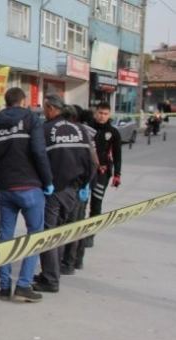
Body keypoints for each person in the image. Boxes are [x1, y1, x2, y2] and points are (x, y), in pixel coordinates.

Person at [0, 87, 54, 303]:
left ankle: (4, 287)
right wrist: (48, 181)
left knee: (6, 237)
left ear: (6, 102)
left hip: (5, 189)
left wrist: (0, 174)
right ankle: (23, 285)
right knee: (34, 236)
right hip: (30, 187)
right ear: (23, 101)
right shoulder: (31, 118)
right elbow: (39, 152)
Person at [32, 96, 94, 293]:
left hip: (53, 189)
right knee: (59, 231)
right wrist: (85, 183)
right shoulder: (80, 129)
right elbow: (91, 161)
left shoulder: (45, 129)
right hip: (73, 190)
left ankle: (50, 279)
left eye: (44, 108)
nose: (43, 112)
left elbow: (38, 158)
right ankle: (52, 272)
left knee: (49, 234)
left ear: (51, 109)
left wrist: (42, 182)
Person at [60, 105, 99, 274]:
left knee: (72, 224)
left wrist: (84, 184)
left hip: (79, 185)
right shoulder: (85, 132)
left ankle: (69, 262)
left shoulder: (79, 133)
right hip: (83, 183)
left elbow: (94, 162)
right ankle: (77, 260)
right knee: (78, 222)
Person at [86, 101, 122, 248]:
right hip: (85, 171)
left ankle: (90, 235)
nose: (102, 116)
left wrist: (117, 174)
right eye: (100, 113)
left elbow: (117, 155)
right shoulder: (87, 127)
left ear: (109, 115)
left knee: (96, 204)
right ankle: (76, 234)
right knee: (80, 204)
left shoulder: (113, 132)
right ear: (96, 113)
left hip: (103, 172)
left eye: (105, 114)